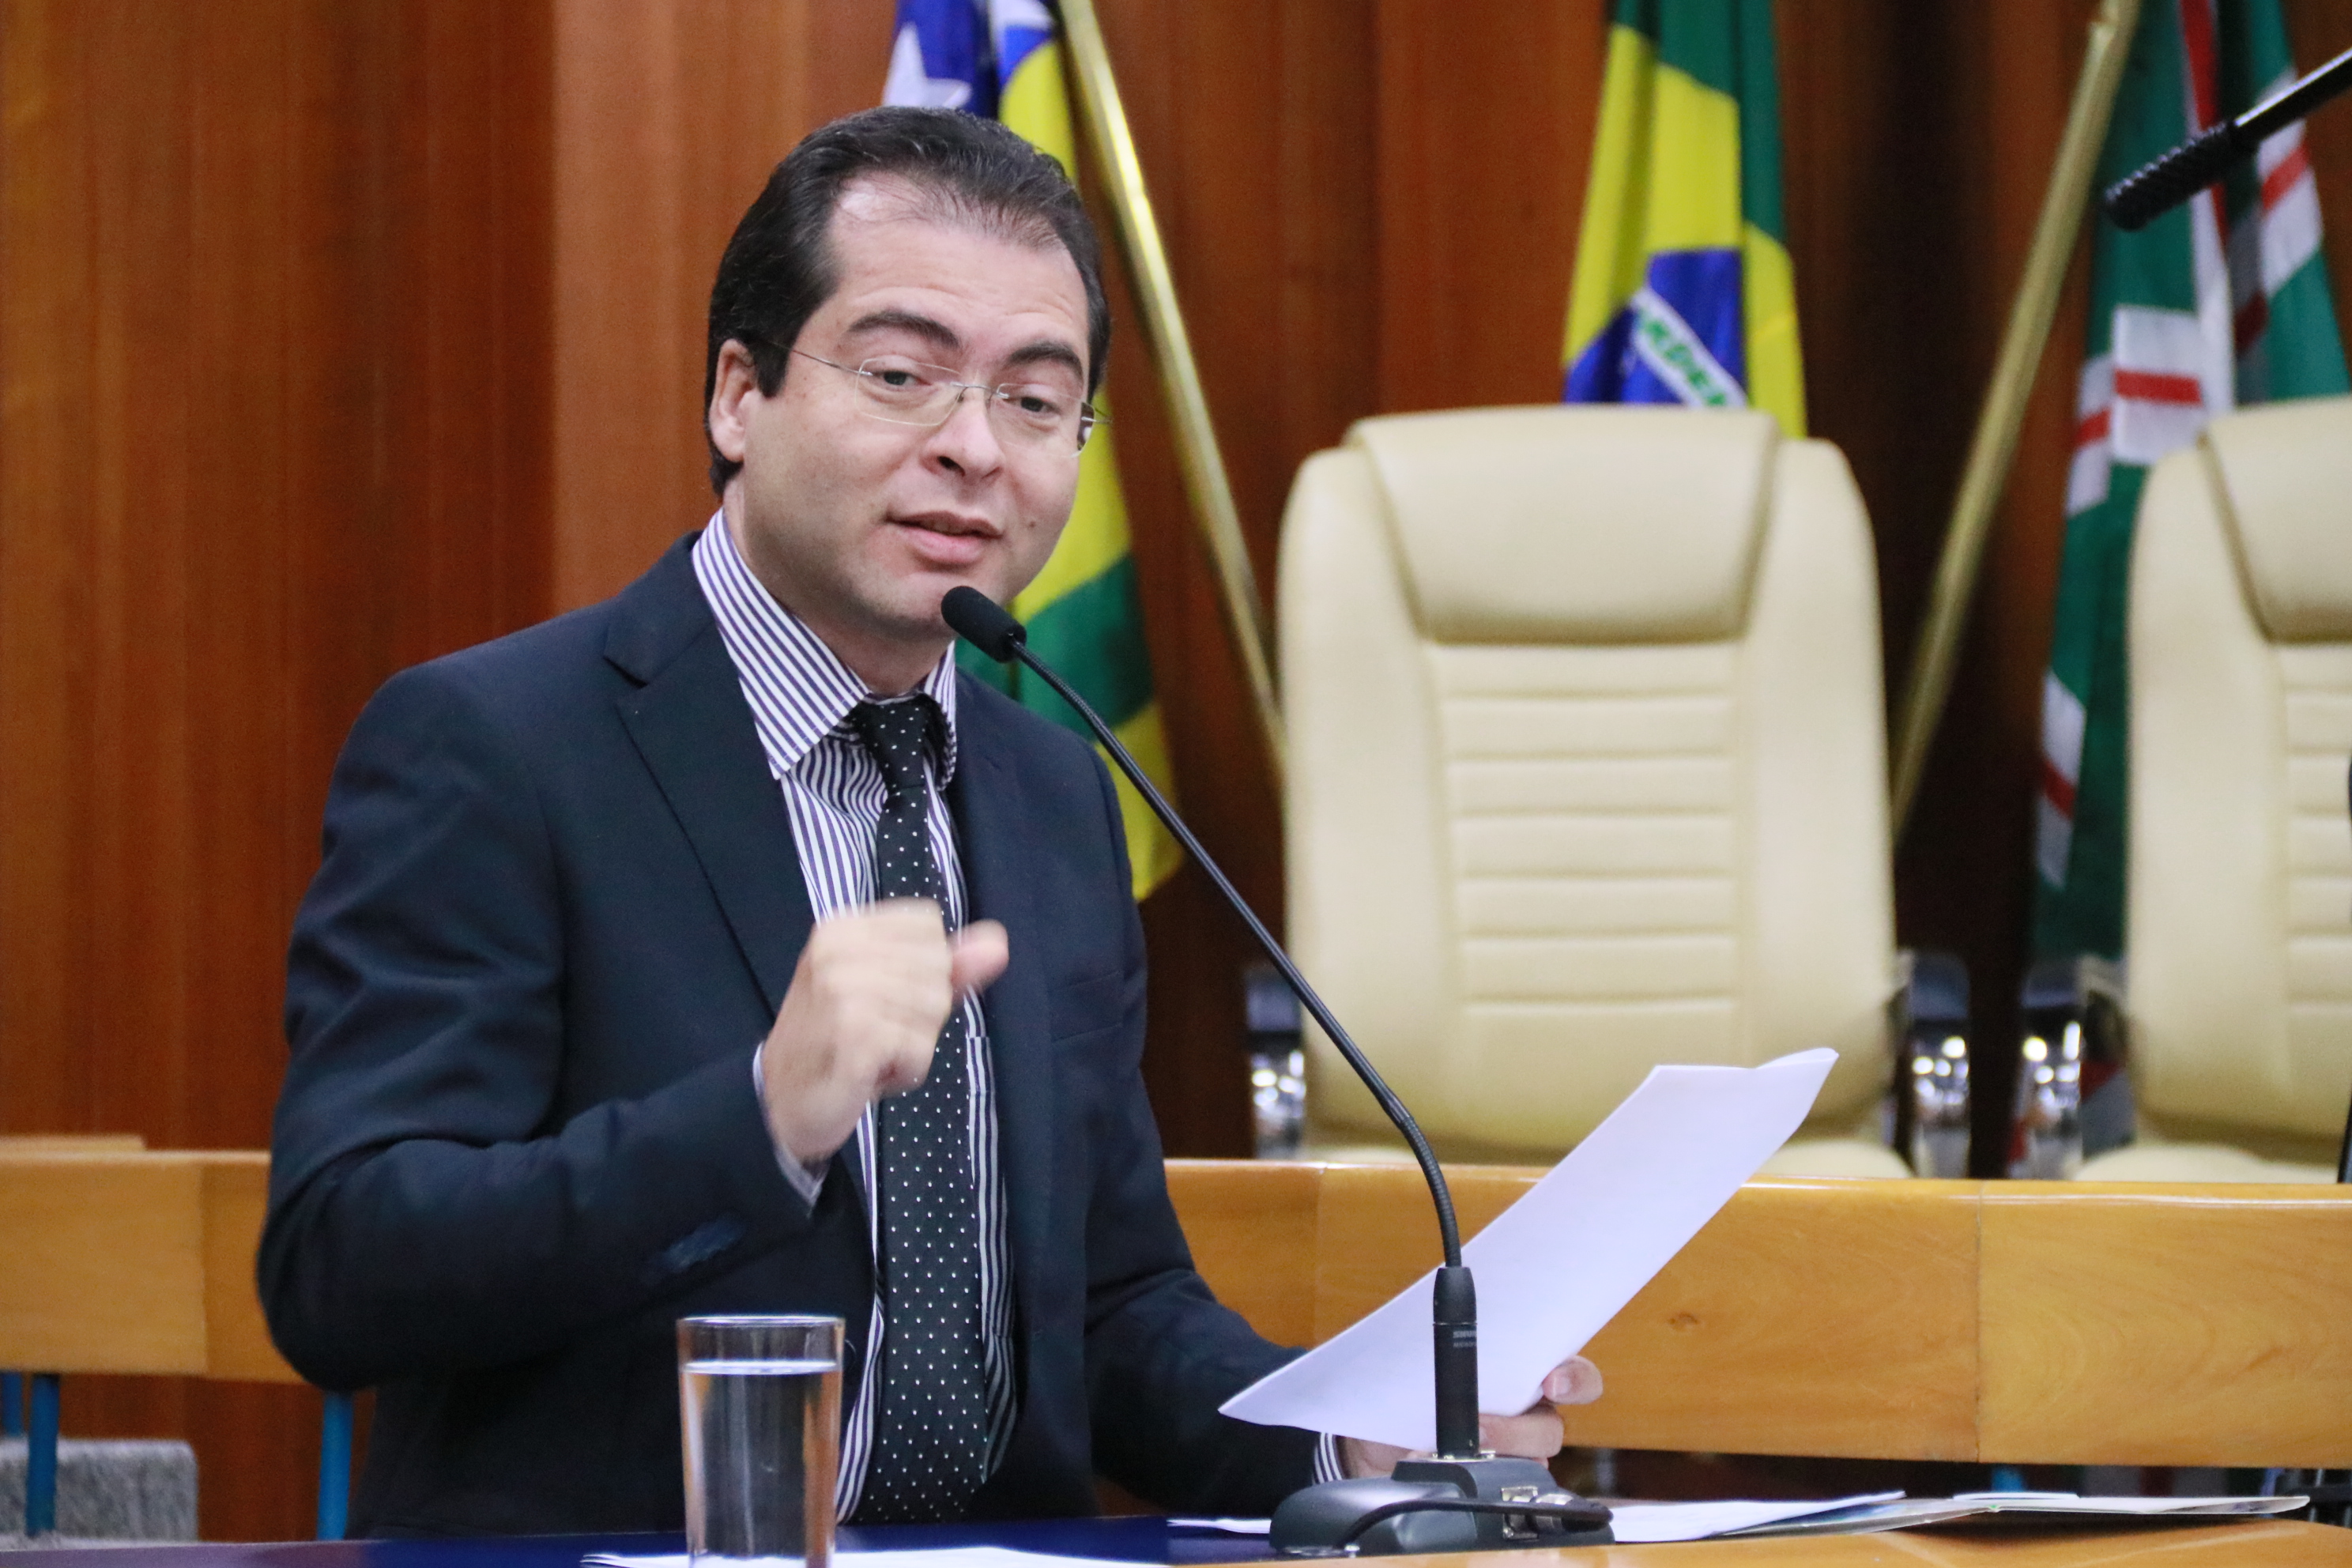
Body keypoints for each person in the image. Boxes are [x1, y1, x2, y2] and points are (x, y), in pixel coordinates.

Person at [261, 105, 1596, 1539]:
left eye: (1037, 401)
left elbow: (1109, 1308)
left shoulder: (1055, 788)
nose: (974, 449)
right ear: (739, 396)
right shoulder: (498, 747)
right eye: (901, 375)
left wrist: (1350, 1440)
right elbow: (343, 1270)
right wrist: (761, 1119)